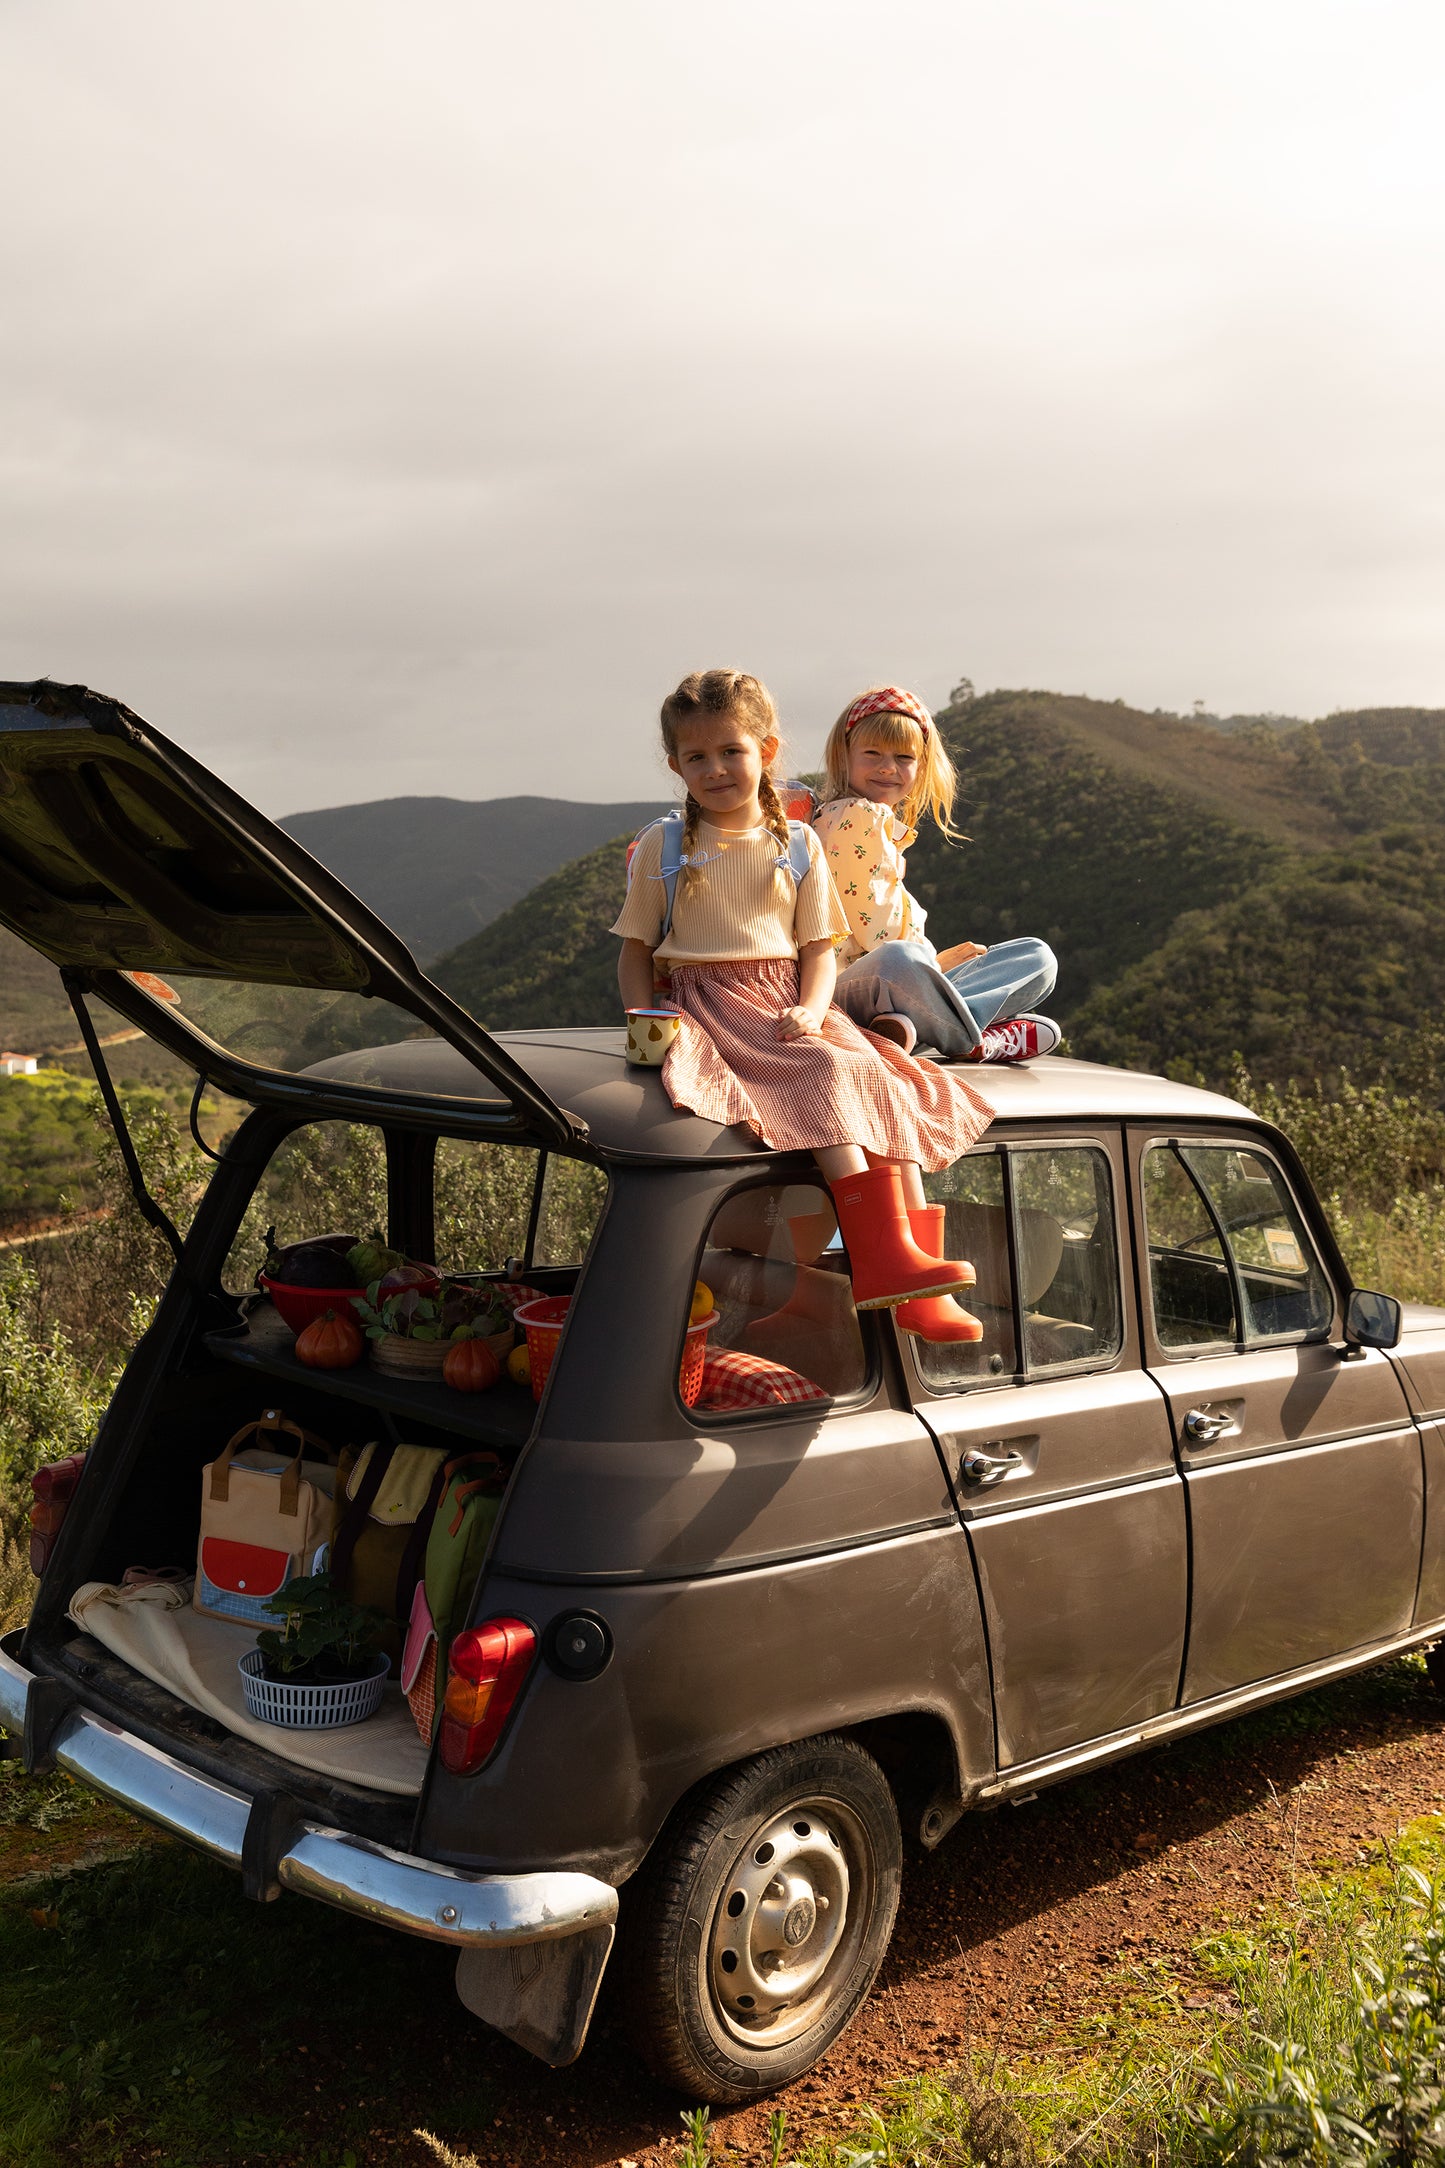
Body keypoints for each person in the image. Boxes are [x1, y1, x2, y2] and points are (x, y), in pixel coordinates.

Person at [611, 668, 993, 1342]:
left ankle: (914, 1273)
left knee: (880, 1078)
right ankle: (878, 1256)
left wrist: (817, 1009)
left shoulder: (797, 843)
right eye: (696, 757)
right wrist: (644, 1026)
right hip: (711, 1001)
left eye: (731, 751)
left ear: (766, 751)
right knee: (826, 1074)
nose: (716, 768)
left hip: (786, 995)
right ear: (675, 765)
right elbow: (635, 950)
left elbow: (820, 948)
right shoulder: (665, 847)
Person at [813, 686, 1061, 1062]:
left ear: (921, 766)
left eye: (903, 757)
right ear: (844, 756)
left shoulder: (873, 822)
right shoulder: (856, 816)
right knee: (901, 960)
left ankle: (910, 1028)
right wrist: (935, 964)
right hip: (843, 988)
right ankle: (973, 1041)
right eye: (872, 754)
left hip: (889, 989)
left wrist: (935, 966)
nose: (887, 767)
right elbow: (871, 931)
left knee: (1037, 957)